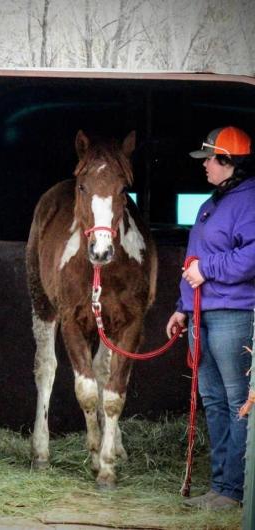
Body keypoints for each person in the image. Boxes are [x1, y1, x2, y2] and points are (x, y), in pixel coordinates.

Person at [166, 126, 255, 510]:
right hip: (202, 314)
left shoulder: (250, 202)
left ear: (229, 162)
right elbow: (193, 263)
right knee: (214, 401)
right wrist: (182, 307)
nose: (204, 167)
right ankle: (220, 486)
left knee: (237, 402)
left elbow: (251, 255)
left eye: (210, 160)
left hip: (233, 313)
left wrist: (210, 269)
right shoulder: (211, 205)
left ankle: (234, 490)